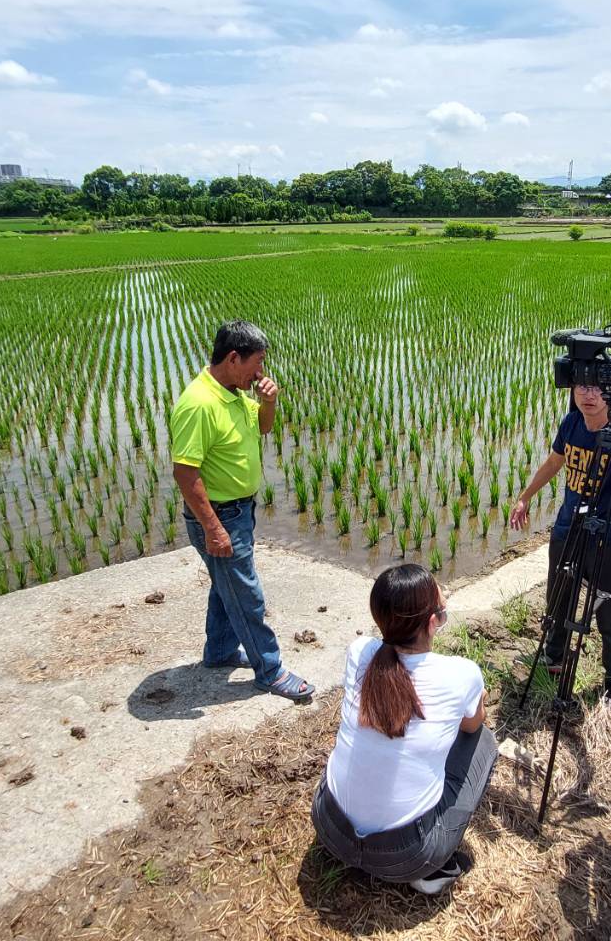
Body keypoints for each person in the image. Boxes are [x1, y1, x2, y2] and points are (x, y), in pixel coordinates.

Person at [311, 564, 498, 895]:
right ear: (431, 623)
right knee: (483, 740)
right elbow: (472, 724)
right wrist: (476, 700)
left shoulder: (359, 653)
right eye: (441, 613)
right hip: (405, 855)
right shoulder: (460, 674)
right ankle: (430, 871)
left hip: (331, 829)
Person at [169, 320, 312, 701]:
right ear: (234, 358)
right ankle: (270, 670)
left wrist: (269, 402)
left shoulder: (232, 393)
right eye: (257, 362)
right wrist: (214, 529)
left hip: (238, 512)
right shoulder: (199, 404)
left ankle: (218, 653)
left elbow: (263, 429)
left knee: (226, 586)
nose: (261, 371)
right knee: (248, 596)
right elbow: (185, 472)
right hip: (219, 517)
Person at [509, 383, 611, 706]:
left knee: (609, 608)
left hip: (608, 532)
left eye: (599, 389)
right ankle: (555, 657)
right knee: (558, 596)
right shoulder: (572, 423)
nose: (589, 396)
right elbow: (554, 462)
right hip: (568, 525)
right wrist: (525, 498)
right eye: (583, 387)